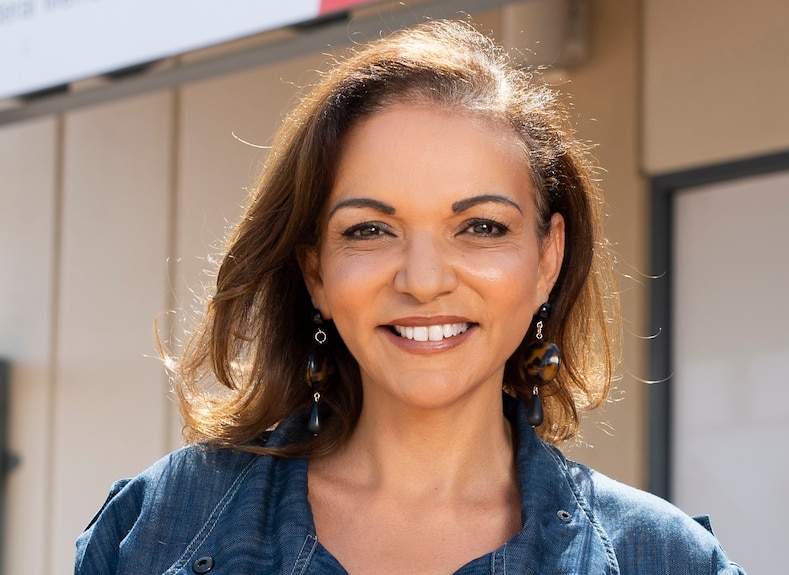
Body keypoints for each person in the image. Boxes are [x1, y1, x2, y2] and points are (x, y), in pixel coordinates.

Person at [75, 19, 744, 575]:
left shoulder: (666, 558)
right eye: (370, 229)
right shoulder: (162, 523)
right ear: (316, 271)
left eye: (481, 226)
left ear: (547, 258)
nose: (423, 279)